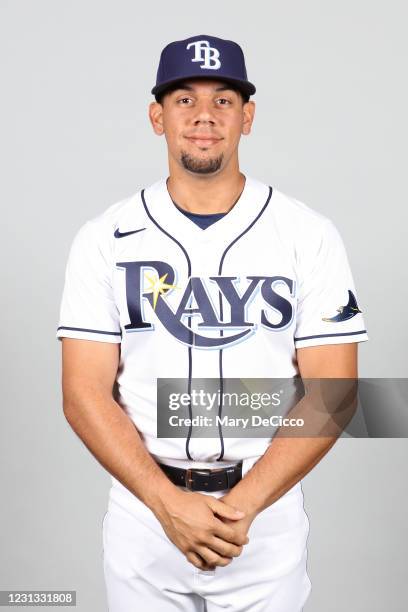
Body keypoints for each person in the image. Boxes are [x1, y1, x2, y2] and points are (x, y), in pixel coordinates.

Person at [56, 34, 369, 612]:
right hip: (145, 514)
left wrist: (245, 505)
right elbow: (82, 393)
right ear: (157, 116)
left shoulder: (308, 234)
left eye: (224, 100)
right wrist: (164, 502)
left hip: (265, 516)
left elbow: (335, 392)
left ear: (247, 117)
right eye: (184, 99)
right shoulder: (103, 238)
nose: (204, 116)